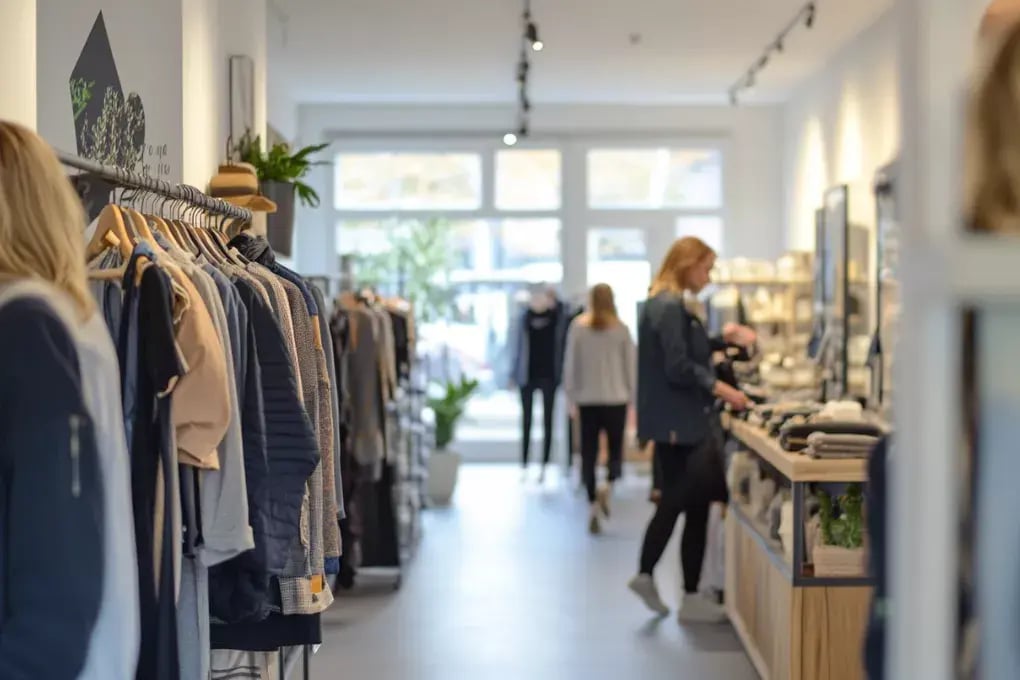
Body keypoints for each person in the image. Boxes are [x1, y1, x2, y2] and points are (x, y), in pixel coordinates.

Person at [627, 236, 755, 623]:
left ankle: (688, 593)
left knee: (694, 503)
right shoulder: (667, 307)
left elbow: (685, 350)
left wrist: (721, 339)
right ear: (686, 264)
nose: (708, 276)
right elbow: (678, 366)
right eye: (706, 267)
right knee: (679, 502)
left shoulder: (666, 305)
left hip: (678, 423)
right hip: (681, 425)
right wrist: (722, 389)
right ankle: (650, 575)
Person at [562, 283, 636, 534]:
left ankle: (592, 499)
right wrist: (633, 398)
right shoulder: (622, 329)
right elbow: (631, 367)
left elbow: (571, 365)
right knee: (615, 448)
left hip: (587, 399)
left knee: (588, 452)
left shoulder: (579, 328)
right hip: (616, 398)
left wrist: (570, 396)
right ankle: (609, 483)